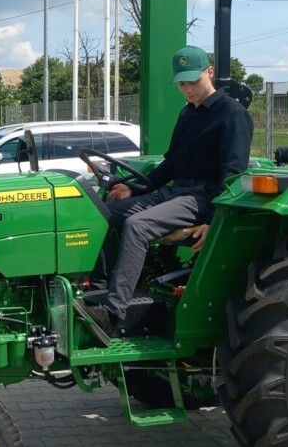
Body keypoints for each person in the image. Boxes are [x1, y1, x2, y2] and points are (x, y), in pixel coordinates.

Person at [87, 45, 254, 338]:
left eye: (193, 82)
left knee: (137, 226)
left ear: (209, 72)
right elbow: (170, 164)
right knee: (100, 213)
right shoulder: (187, 114)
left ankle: (113, 314)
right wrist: (133, 187)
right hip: (174, 192)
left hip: (203, 198)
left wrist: (215, 221)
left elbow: (233, 176)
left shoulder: (232, 115)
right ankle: (98, 291)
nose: (188, 90)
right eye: (182, 84)